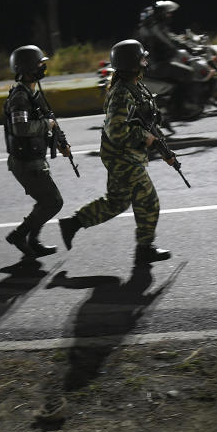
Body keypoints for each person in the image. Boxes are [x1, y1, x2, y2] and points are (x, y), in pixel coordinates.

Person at [58, 39, 173, 266]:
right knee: (148, 200)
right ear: (132, 63)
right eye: (142, 58)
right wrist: (146, 138)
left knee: (117, 202)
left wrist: (165, 149)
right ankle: (144, 249)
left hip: (126, 154)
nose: (145, 62)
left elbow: (148, 122)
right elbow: (116, 131)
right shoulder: (122, 94)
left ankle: (73, 223)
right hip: (122, 156)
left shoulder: (137, 86)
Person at [2, 45, 66, 260]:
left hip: (34, 159)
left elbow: (48, 118)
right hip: (25, 162)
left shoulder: (33, 92)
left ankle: (33, 241)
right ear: (28, 68)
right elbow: (20, 128)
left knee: (45, 201)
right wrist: (46, 126)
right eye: (39, 64)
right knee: (53, 202)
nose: (43, 67)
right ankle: (19, 236)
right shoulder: (20, 97)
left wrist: (60, 142)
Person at [135, 0, 193, 88]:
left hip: (153, 64)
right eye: (167, 13)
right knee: (188, 72)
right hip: (155, 66)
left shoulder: (147, 29)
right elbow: (170, 42)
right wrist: (188, 47)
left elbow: (171, 38)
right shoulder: (152, 29)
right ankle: (180, 101)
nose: (169, 15)